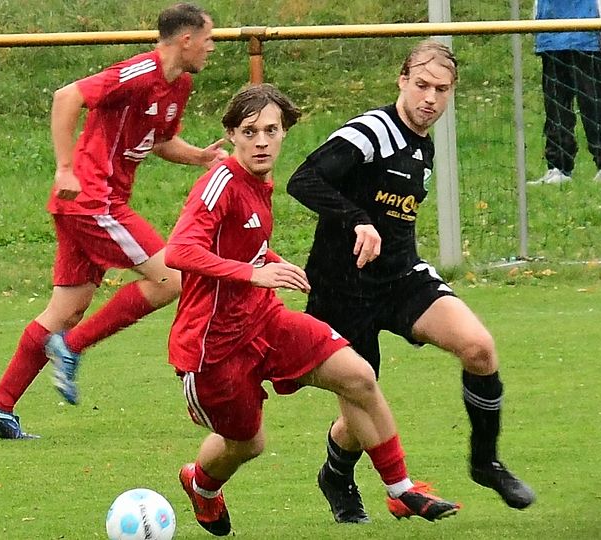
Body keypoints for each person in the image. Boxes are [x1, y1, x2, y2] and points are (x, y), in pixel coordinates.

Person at [166, 84, 460, 537]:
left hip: (265, 320)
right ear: (232, 134)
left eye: (271, 130)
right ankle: (201, 485)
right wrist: (253, 273)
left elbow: (242, 242)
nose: (261, 141)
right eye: (250, 132)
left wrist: (272, 261)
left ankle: (401, 490)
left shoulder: (260, 182)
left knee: (358, 376)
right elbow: (179, 251)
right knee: (248, 443)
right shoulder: (220, 182)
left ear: (284, 132)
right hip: (214, 345)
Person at [286, 40, 535, 523]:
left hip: (401, 277)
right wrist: (358, 220)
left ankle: (485, 463)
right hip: (343, 289)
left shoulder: (423, 145)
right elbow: (304, 179)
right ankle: (336, 475)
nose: (430, 98)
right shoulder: (371, 131)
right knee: (360, 407)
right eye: (421, 85)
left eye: (441, 89)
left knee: (479, 348)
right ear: (402, 81)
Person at [0, 3, 228, 439]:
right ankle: (71, 348)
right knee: (172, 278)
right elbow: (67, 97)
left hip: (89, 205)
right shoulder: (140, 72)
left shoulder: (179, 85)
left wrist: (199, 157)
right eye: (208, 39)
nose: (212, 47)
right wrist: (64, 168)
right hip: (94, 201)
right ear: (186, 40)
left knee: (67, 309)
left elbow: (159, 141)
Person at [528, 0, 601, 185]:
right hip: (551, 30)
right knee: (555, 104)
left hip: (590, 31)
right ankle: (557, 167)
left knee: (594, 101)